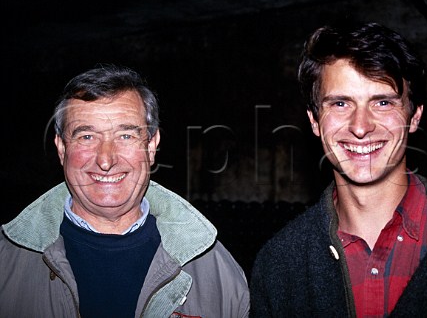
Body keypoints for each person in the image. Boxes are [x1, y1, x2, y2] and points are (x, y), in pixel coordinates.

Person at [250, 22, 427, 317]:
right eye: (341, 103)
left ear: (414, 116)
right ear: (314, 121)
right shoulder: (279, 265)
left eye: (383, 102)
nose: (360, 127)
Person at [0, 65, 249, 317]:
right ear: (62, 149)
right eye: (86, 136)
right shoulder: (6, 263)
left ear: (151, 147)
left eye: (126, 136)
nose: (106, 160)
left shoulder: (216, 270)